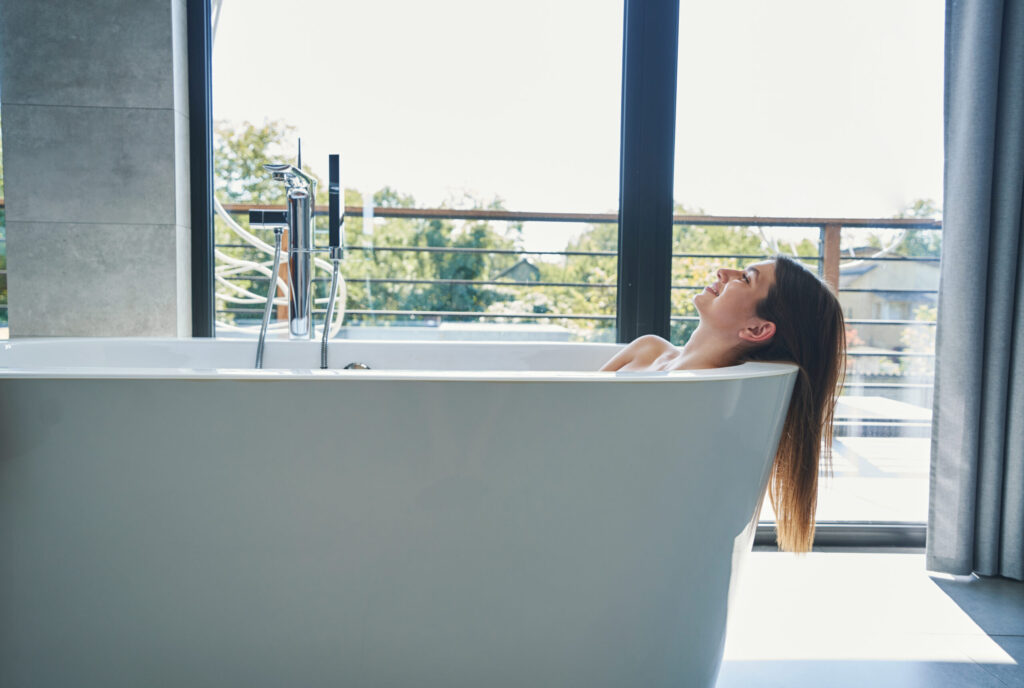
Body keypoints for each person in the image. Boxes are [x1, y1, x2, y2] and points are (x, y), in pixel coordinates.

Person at [600, 254, 847, 553]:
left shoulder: (707, 398)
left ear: (756, 330)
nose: (723, 272)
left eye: (745, 278)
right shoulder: (646, 348)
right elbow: (572, 411)